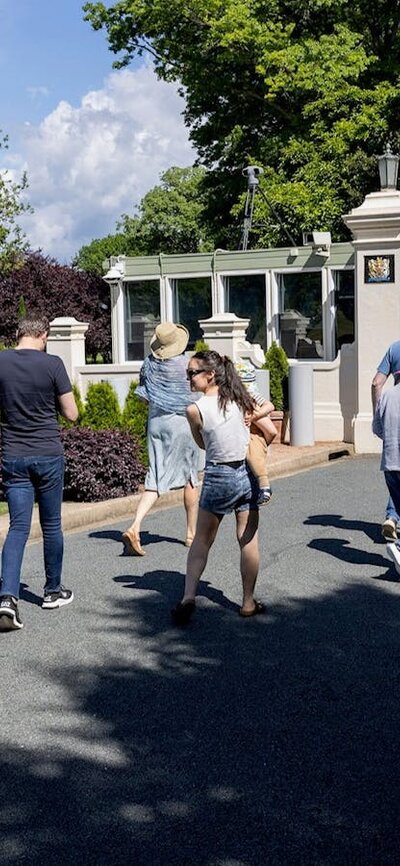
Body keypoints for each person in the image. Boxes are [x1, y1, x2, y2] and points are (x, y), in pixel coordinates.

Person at [171, 349, 269, 626]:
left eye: (192, 373)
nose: (188, 378)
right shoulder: (239, 400)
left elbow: (202, 443)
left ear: (210, 375)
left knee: (202, 540)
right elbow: (267, 409)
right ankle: (248, 601)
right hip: (246, 472)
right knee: (248, 539)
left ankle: (188, 597)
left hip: (218, 474)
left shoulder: (194, 410)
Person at [0, 316, 78, 631]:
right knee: (51, 525)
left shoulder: (1, 362)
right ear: (42, 336)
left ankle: (7, 597)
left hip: (13, 455)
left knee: (18, 527)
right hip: (47, 454)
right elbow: (71, 413)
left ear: (18, 335)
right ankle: (52, 591)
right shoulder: (52, 364)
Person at [122, 322, 200, 556]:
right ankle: (190, 534)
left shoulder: (148, 363)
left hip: (156, 423)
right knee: (190, 476)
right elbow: (197, 395)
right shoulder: (188, 365)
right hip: (182, 422)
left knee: (155, 473)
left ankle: (136, 524)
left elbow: (145, 397)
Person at [235, 359, 276, 505]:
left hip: (255, 434)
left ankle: (265, 486)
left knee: (254, 456)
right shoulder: (237, 398)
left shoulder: (252, 399)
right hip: (251, 433)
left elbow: (270, 406)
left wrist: (255, 416)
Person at [372, 341, 400, 541]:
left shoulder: (388, 397)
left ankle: (392, 517)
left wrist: (379, 421)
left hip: (390, 461)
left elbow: (376, 383)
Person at [372, 377, 400, 575]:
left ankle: (398, 547)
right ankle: (398, 548)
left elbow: (377, 428)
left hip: (390, 461)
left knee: (398, 506)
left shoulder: (387, 395)